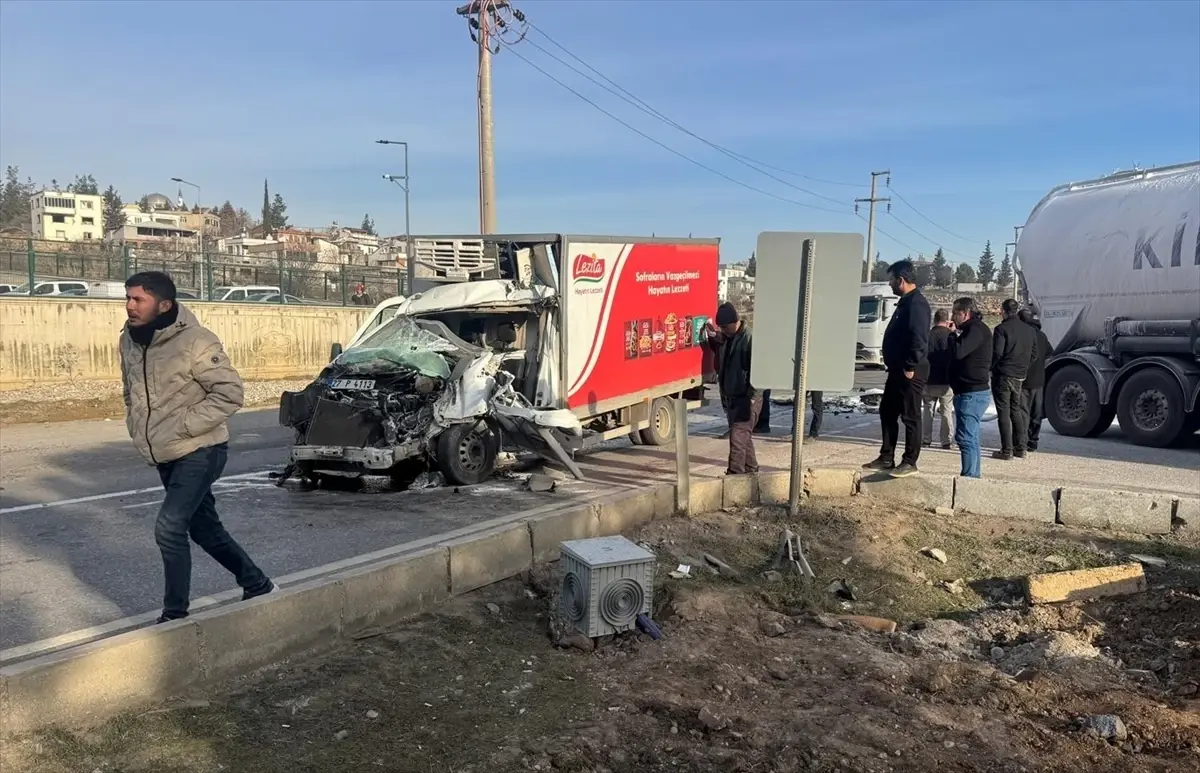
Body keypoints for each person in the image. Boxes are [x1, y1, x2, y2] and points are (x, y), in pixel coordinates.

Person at [120, 271, 273, 623]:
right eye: (127, 298)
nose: (129, 306)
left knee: (169, 527)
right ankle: (257, 584)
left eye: (138, 299)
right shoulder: (128, 340)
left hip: (201, 449)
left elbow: (230, 394)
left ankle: (175, 616)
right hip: (166, 452)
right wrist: (136, 424)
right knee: (204, 529)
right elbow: (130, 390)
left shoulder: (196, 341)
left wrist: (185, 425)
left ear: (164, 304)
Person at [863, 260, 931, 478]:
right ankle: (886, 457)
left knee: (910, 415)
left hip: (910, 370)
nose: (890, 284)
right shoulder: (904, 303)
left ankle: (910, 461)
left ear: (901, 280)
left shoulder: (916, 304)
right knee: (887, 411)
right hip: (897, 370)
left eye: (891, 279)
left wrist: (910, 365)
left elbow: (919, 339)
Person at [706, 302, 761, 475]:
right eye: (720, 326)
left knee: (737, 438)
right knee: (743, 438)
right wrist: (712, 337)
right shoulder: (726, 339)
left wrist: (754, 395)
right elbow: (719, 349)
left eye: (724, 326)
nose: (722, 329)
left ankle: (735, 476)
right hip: (731, 397)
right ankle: (751, 470)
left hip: (747, 399)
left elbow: (760, 369)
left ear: (734, 321)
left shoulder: (749, 339)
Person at [948, 297, 993, 478]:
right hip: (969, 391)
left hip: (972, 393)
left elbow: (958, 352)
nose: (953, 318)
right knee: (970, 438)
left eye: (955, 313)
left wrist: (951, 335)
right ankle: (973, 476)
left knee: (966, 438)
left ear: (965, 313)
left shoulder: (975, 329)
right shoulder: (974, 329)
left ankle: (969, 477)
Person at [991, 298, 1036, 459]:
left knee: (1003, 411)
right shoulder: (1029, 330)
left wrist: (991, 368)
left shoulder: (1001, 329)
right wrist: (1023, 367)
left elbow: (997, 353)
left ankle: (1006, 450)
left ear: (1003, 311)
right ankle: (1021, 447)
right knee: (1015, 410)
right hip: (1020, 375)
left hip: (1004, 374)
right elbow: (1034, 353)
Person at [1019, 308, 1053, 451]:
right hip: (1039, 379)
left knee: (1023, 411)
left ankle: (1023, 441)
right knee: (1036, 412)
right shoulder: (1041, 335)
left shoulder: (1022, 334)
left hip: (1023, 378)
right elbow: (1050, 353)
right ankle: (1033, 441)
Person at [922, 309, 955, 449]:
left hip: (929, 378)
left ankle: (926, 439)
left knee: (928, 409)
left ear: (934, 320)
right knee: (946, 411)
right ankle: (946, 440)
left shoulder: (927, 335)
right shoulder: (951, 336)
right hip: (946, 380)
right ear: (947, 320)